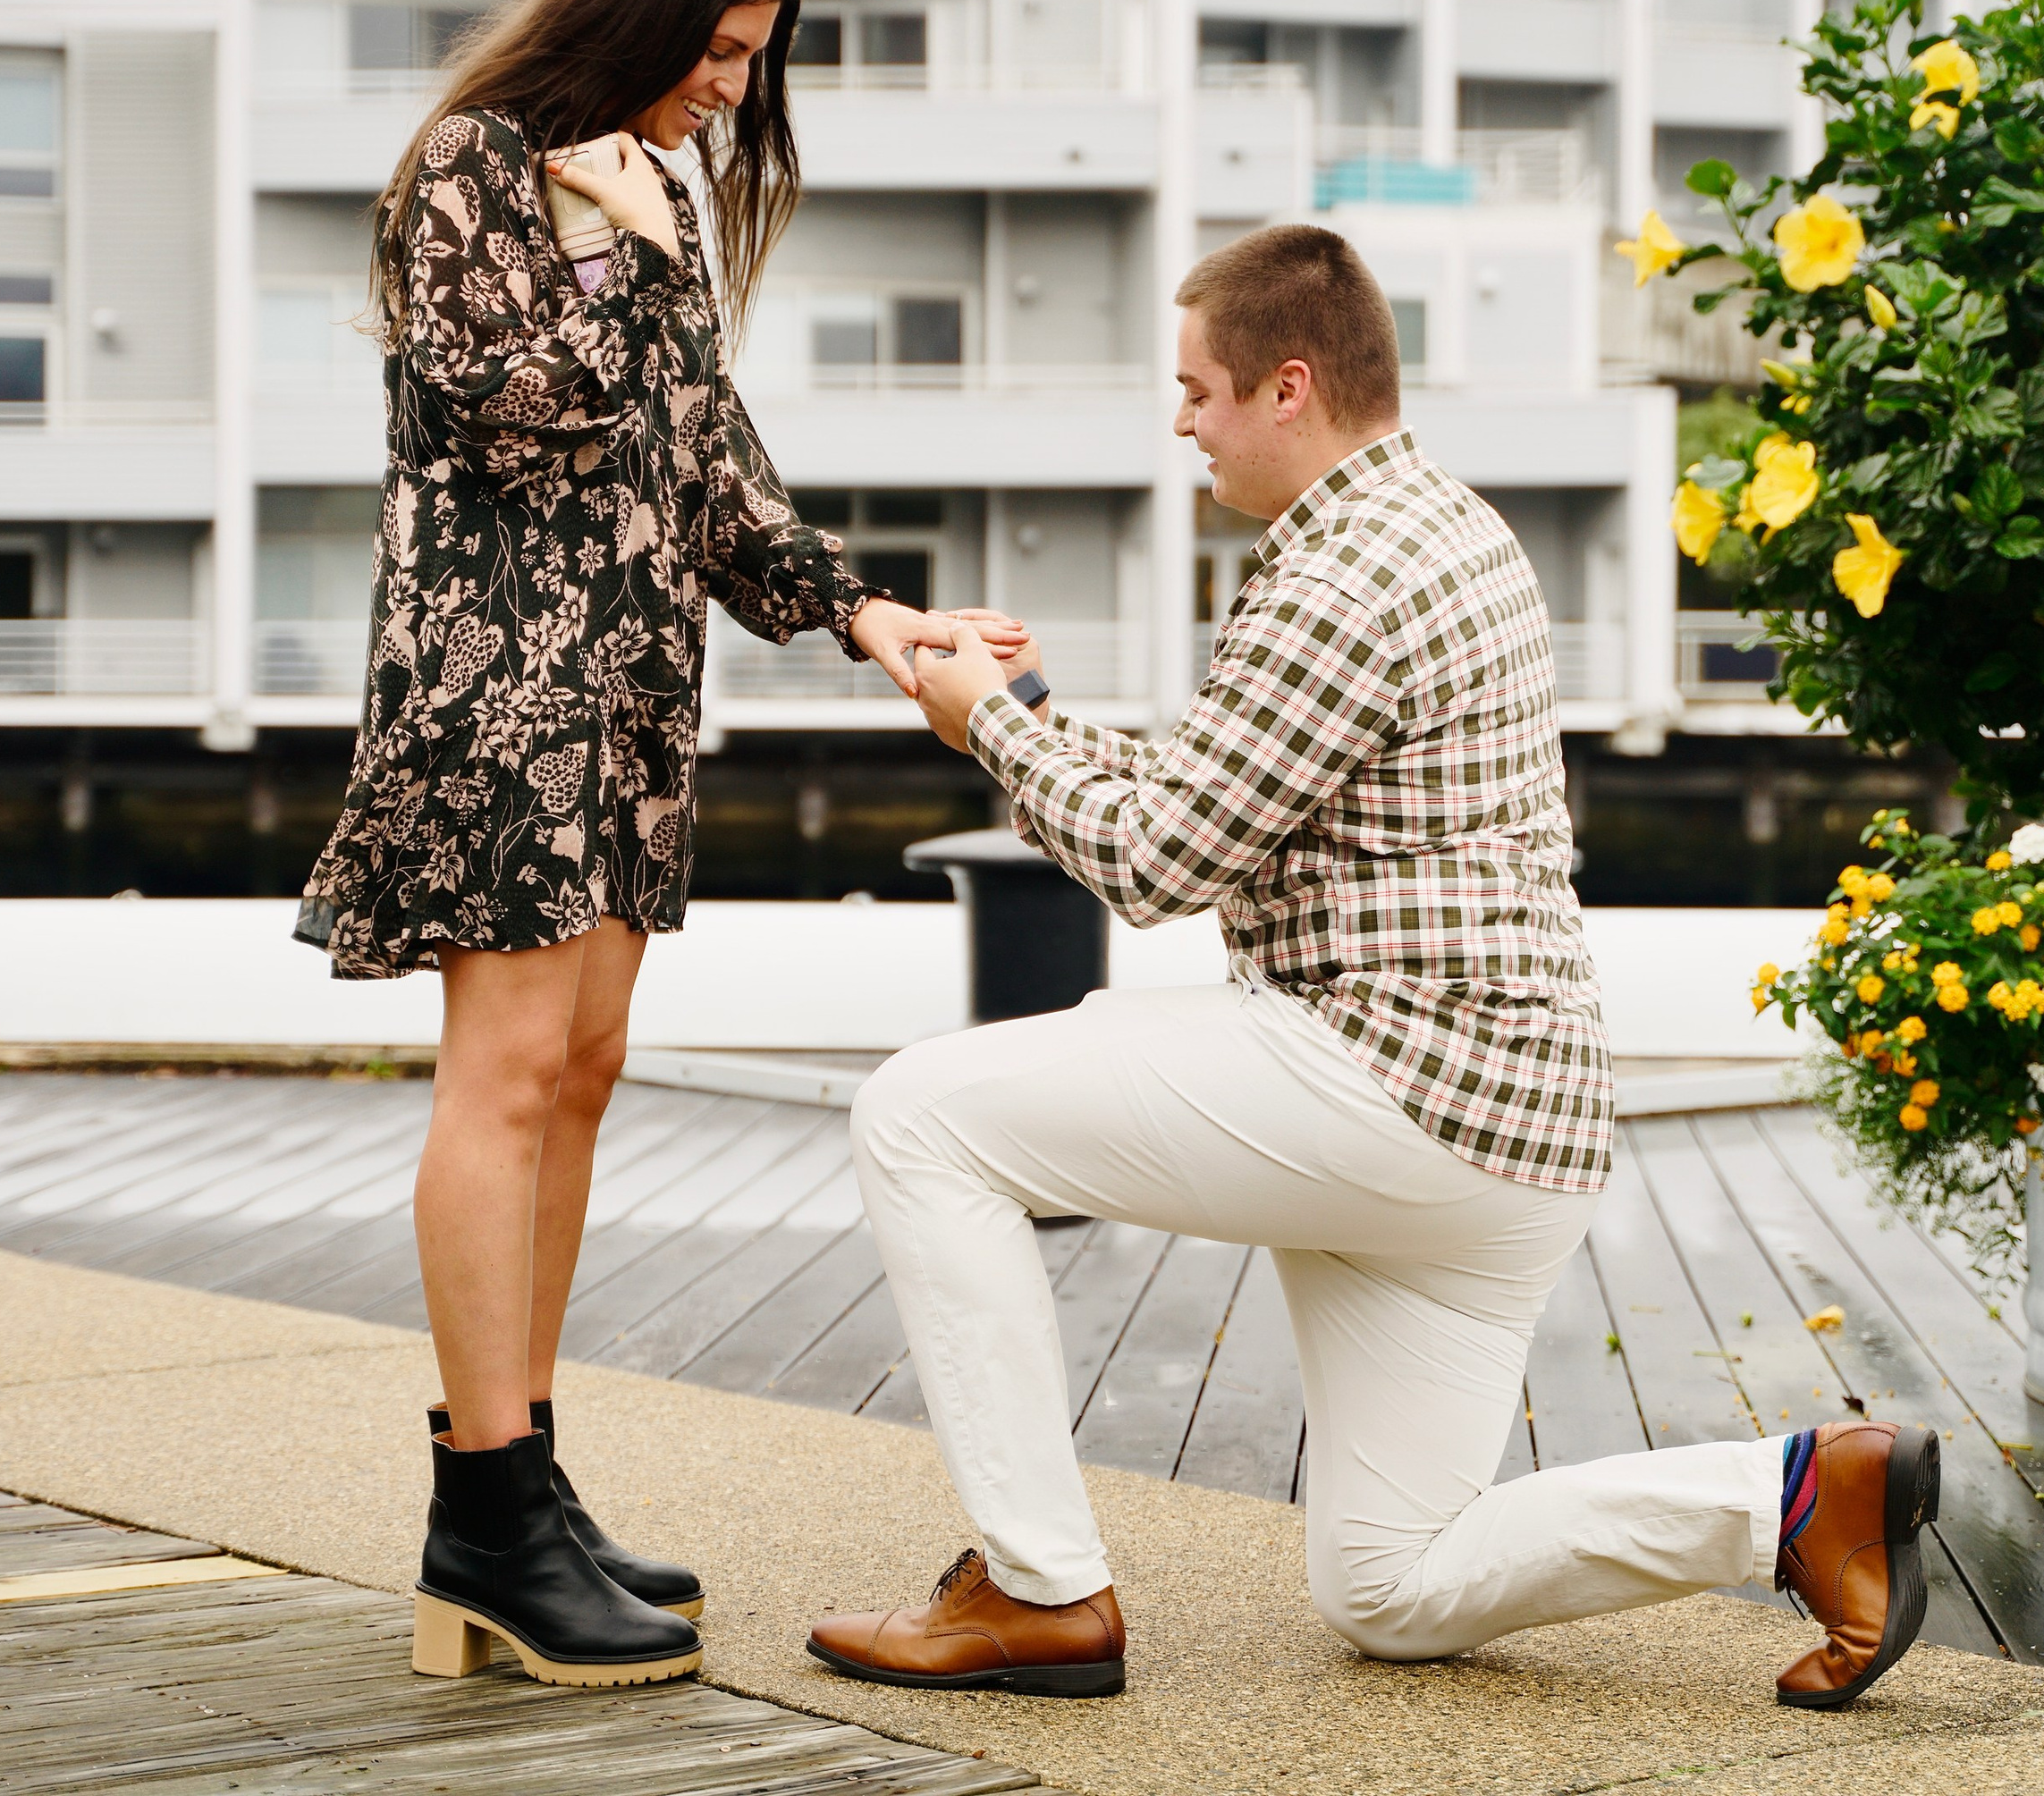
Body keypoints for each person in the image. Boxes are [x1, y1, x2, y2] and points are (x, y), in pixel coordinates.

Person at [809, 223, 1939, 1707]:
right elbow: (1215, 792)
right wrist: (1018, 707)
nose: (1180, 420)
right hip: (1513, 1138)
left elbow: (1156, 868)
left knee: (920, 1112)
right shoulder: (1445, 528)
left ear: (1289, 388)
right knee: (1393, 1588)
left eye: (1197, 389)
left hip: (1385, 1080)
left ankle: (1036, 1591)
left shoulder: (1335, 576)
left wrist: (988, 729)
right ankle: (1794, 1497)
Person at [294, 0, 982, 1691]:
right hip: (491, 696)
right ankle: (483, 1510)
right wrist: (628, 254)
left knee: (579, 1077)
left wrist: (862, 612)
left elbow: (702, 456)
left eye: (753, 69)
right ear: (645, 9)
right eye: (721, 55)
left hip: (621, 698)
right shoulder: (473, 161)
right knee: (505, 1072)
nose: (728, 96)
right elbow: (516, 392)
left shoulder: (645, 187)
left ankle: (526, 1465)